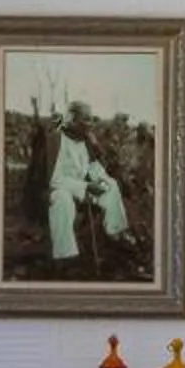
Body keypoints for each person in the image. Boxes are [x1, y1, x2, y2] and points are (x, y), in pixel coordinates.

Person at [46, 104, 129, 272]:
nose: (91, 123)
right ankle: (65, 256)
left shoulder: (85, 140)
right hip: (60, 189)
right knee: (62, 200)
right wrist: (86, 186)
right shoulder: (56, 140)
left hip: (83, 189)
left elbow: (95, 169)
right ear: (74, 120)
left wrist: (102, 183)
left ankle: (115, 233)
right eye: (86, 119)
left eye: (91, 119)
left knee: (111, 185)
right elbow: (54, 179)